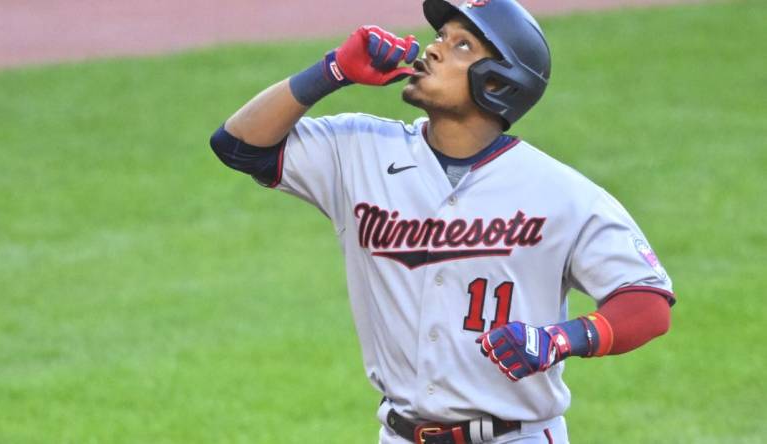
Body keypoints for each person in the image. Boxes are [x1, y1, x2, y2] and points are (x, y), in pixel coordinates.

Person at [209, 0, 675, 442]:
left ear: (498, 82)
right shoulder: (357, 150)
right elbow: (238, 146)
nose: (431, 47)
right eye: (440, 35)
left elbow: (646, 301)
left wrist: (561, 338)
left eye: (462, 45)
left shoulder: (560, 192)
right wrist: (330, 72)